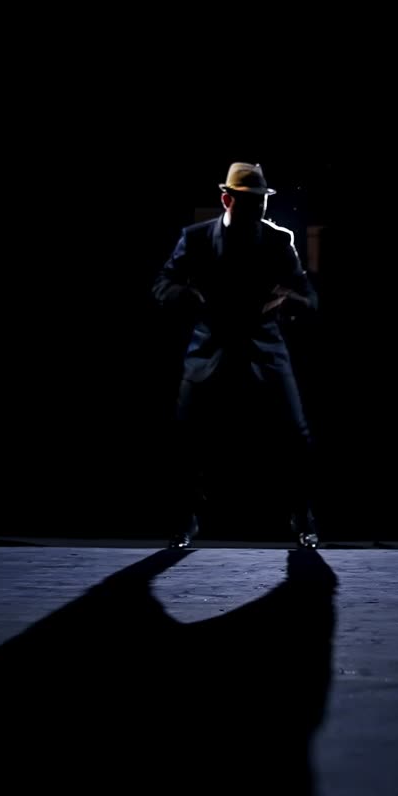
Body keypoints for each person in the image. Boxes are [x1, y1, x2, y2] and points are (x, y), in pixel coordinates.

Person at [153, 162, 319, 548]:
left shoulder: (279, 241)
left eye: (261, 202)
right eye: (249, 202)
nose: (258, 210)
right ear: (227, 199)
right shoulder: (195, 239)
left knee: (295, 434)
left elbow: (309, 297)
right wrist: (189, 297)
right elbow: (162, 285)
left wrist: (286, 300)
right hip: (210, 348)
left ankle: (302, 515)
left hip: (263, 347)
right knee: (186, 436)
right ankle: (184, 519)